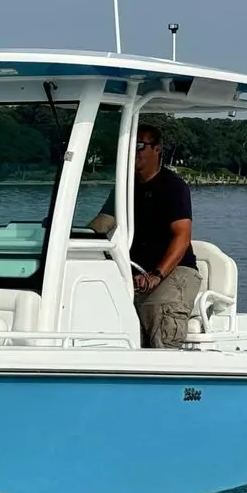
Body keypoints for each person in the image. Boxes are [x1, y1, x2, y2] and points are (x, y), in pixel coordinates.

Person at [88, 123, 201, 349]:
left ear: (157, 149)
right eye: (129, 146)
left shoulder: (173, 187)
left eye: (139, 146)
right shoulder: (124, 188)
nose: (133, 152)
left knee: (161, 331)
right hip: (134, 275)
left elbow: (182, 236)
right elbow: (102, 224)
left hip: (172, 272)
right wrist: (66, 236)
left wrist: (157, 275)